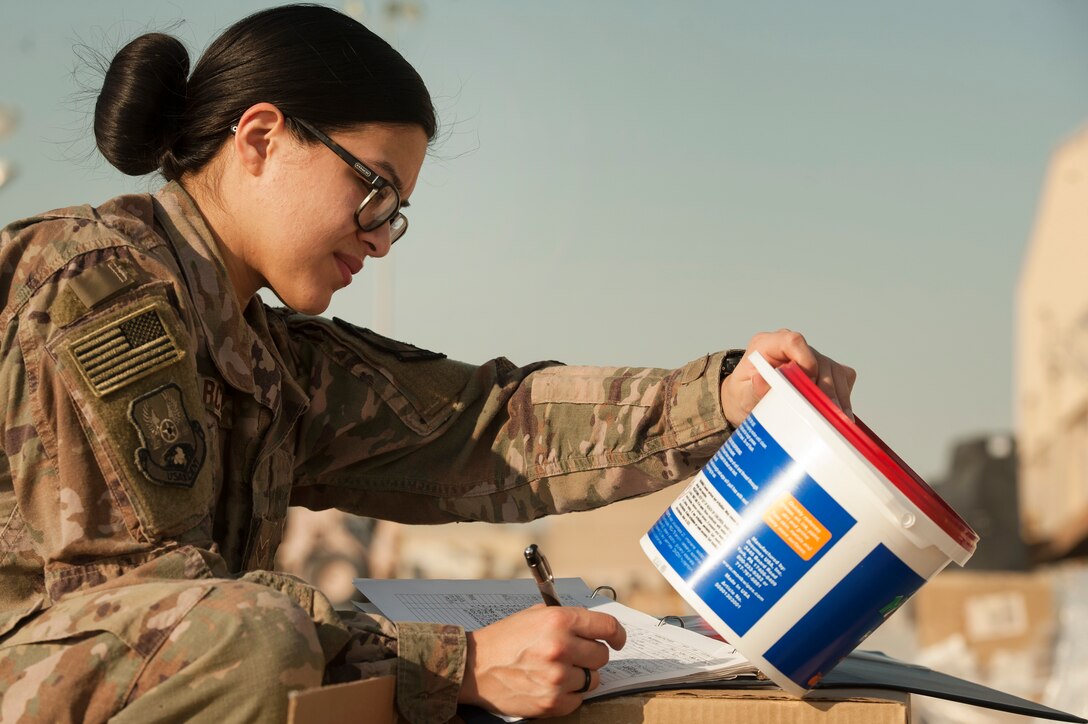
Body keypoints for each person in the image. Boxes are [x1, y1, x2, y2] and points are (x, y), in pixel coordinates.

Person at [0, 5, 856, 723]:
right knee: (255, 640)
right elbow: (149, 607)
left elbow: (479, 429)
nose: (378, 238)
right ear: (259, 138)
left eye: (396, 212)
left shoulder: (255, 346)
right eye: (371, 190)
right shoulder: (100, 289)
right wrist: (460, 664)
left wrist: (726, 398)